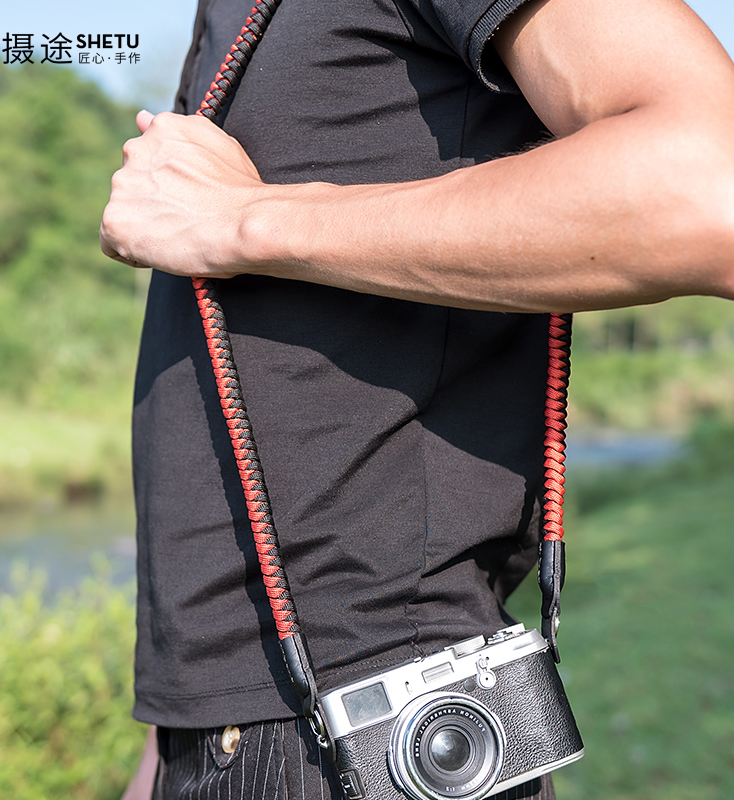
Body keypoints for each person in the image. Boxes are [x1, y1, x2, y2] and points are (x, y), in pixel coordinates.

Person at [101, 0, 734, 798]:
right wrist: (175, 749)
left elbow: (708, 185)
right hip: (225, 736)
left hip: (389, 728)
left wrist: (244, 220)